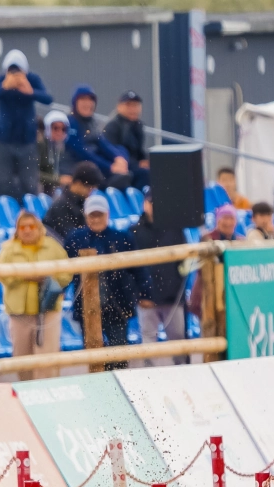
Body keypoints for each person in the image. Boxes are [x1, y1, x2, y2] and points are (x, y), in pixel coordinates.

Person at [64, 194, 149, 366]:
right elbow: (66, 271)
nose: (96, 219)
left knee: (118, 354)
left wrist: (145, 293)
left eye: (99, 215)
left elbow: (137, 269)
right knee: (93, 354)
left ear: (107, 215)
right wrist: (58, 290)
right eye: (92, 215)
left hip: (117, 306)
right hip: (87, 308)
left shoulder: (122, 238)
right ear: (86, 216)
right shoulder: (75, 239)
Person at [0, 210, 70, 381]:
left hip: (48, 309)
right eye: (23, 227)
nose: (27, 230)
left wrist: (49, 279)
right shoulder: (8, 250)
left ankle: (48, 392)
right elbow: (1, 274)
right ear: (17, 230)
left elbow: (67, 273)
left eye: (31, 226)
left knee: (48, 358)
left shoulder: (52, 246)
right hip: (19, 312)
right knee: (22, 357)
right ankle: (26, 392)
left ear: (38, 228)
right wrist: (26, 275)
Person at [0, 50, 52, 201]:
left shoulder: (32, 80)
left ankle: (30, 216)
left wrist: (30, 91)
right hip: (3, 140)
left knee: (29, 185)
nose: (15, 75)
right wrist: (3, 87)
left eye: (18, 71)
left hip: (27, 140)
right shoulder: (0, 80)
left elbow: (48, 98)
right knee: (3, 185)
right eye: (11, 71)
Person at [130, 187, 188, 366]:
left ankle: (186, 375)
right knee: (148, 341)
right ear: (144, 204)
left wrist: (179, 291)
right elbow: (130, 268)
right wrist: (139, 295)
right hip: (147, 297)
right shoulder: (134, 231)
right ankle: (151, 380)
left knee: (178, 340)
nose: (154, 207)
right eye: (151, 203)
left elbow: (183, 263)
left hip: (172, 297)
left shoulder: (176, 229)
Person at [67, 85, 133, 192]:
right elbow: (82, 152)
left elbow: (103, 143)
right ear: (75, 103)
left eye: (90, 100)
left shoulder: (91, 122)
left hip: (98, 164)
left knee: (121, 150)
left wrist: (118, 158)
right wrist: (110, 167)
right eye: (83, 99)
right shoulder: (71, 122)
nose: (87, 103)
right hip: (81, 167)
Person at [43, 162, 102, 241]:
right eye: (89, 188)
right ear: (78, 184)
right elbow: (71, 238)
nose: (90, 192)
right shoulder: (61, 205)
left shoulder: (82, 202)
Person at [102, 91, 149, 190]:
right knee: (144, 173)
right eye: (129, 105)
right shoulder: (113, 126)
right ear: (119, 107)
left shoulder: (138, 126)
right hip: (117, 170)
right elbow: (111, 152)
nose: (133, 109)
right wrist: (136, 164)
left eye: (136, 105)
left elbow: (139, 152)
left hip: (132, 166)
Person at [39, 111, 76, 194]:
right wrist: (59, 180)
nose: (60, 132)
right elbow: (32, 174)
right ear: (47, 128)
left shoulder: (60, 147)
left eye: (63, 129)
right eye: (55, 128)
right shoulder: (40, 145)